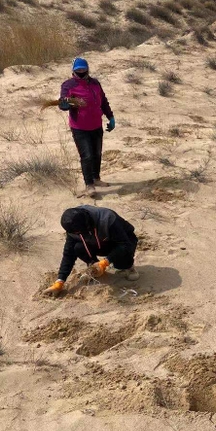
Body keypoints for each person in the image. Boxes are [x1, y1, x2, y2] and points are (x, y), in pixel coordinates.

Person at [42, 205, 139, 297]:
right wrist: (60, 281)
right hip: (99, 241)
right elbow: (68, 254)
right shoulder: (72, 227)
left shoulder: (107, 218)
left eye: (79, 232)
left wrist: (106, 262)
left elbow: (124, 244)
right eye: (74, 233)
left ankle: (128, 267)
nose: (77, 234)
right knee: (78, 247)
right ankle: (95, 268)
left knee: (121, 262)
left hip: (123, 241)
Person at [59, 58, 115, 199]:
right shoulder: (68, 85)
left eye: (84, 70)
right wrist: (71, 102)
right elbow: (62, 104)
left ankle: (96, 178)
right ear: (74, 71)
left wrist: (110, 117)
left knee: (97, 153)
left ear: (88, 69)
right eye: (79, 70)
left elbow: (103, 101)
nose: (82, 72)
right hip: (80, 127)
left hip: (96, 125)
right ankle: (89, 185)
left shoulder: (95, 83)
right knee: (87, 156)